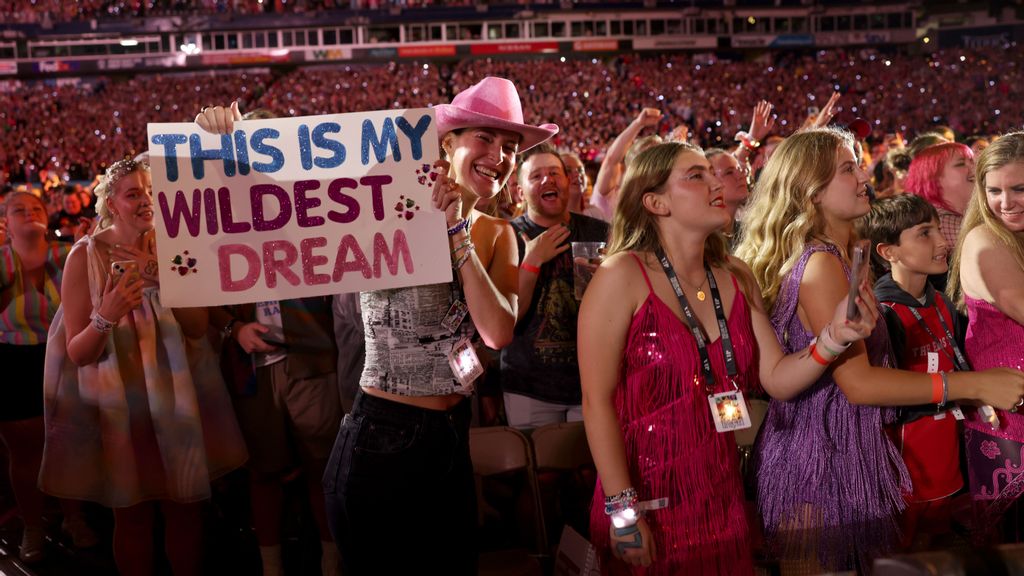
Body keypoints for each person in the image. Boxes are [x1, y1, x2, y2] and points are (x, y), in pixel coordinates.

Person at [579, 141, 879, 575]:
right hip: (648, 496)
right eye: (695, 176)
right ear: (655, 201)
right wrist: (623, 512)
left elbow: (775, 377)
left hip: (720, 495)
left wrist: (832, 339)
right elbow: (597, 401)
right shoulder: (621, 275)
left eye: (711, 172)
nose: (716, 182)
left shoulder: (736, 275)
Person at [735, 127, 1024, 573]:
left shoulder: (840, 254)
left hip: (844, 449)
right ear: (811, 191)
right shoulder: (820, 265)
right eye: (848, 168)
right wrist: (974, 384)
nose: (864, 174)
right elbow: (860, 384)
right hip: (820, 459)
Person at [41, 159, 248, 576]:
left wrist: (162, 275)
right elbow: (78, 353)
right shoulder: (87, 256)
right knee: (132, 515)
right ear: (112, 203)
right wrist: (107, 315)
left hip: (178, 398)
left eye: (151, 191)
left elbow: (194, 328)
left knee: (184, 508)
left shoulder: (176, 245)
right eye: (133, 193)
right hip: (122, 405)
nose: (146, 201)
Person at [859, 194, 965, 550]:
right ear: (888, 252)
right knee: (902, 549)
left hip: (945, 451)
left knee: (939, 544)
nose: (942, 241)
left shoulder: (941, 301)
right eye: (924, 233)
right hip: (905, 461)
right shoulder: (883, 313)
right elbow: (877, 393)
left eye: (938, 229)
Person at [0, 191, 95, 563]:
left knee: (68, 442)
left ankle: (75, 518)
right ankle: (33, 526)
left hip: (60, 356)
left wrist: (89, 243)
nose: (29, 213)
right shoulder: (2, 262)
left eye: (36, 208)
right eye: (18, 209)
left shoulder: (67, 255)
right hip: (12, 359)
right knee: (25, 451)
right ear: (6, 221)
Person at [947, 131, 1024, 543]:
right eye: (994, 190)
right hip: (1010, 425)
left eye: (1019, 188)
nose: (1006, 202)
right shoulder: (984, 239)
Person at [502, 143, 608, 428]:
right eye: (536, 176)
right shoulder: (507, 236)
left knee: (588, 469)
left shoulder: (598, 232)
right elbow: (508, 319)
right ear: (520, 191)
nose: (547, 179)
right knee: (539, 470)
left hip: (591, 381)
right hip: (529, 385)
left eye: (554, 173)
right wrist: (533, 260)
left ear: (568, 181)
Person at [904, 142, 976, 254]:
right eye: (961, 164)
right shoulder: (941, 223)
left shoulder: (966, 216)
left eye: (972, 161)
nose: (974, 167)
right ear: (934, 178)